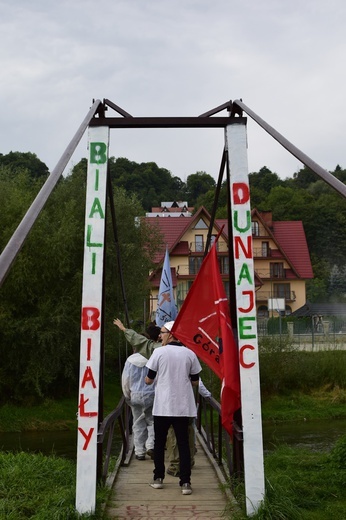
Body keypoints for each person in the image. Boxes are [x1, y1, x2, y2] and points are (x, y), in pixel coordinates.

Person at [145, 320, 202, 495]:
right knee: (184, 444)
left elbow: (149, 379)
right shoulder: (190, 354)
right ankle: (185, 483)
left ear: (170, 334)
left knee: (159, 442)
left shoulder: (158, 353)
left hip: (163, 406)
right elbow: (195, 381)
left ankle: (158, 478)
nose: (160, 335)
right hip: (182, 407)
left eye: (162, 332)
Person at [166, 378, 211, 477]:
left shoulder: (168, 366)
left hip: (173, 407)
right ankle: (189, 461)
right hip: (188, 408)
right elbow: (198, 382)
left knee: (173, 435)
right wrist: (208, 395)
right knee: (188, 433)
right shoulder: (188, 363)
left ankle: (175, 466)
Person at [121, 350, 156, 460]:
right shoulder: (153, 358)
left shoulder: (130, 360)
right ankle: (151, 445)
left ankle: (139, 451)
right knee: (152, 421)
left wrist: (127, 395)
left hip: (135, 395)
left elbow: (125, 380)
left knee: (137, 422)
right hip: (152, 395)